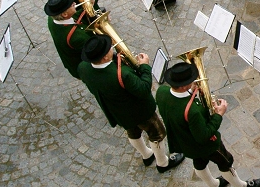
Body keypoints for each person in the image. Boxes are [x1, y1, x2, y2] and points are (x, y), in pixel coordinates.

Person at [157, 61, 260, 187]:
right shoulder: (193, 111)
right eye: (191, 80)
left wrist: (191, 92)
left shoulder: (161, 92)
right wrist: (218, 115)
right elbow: (204, 135)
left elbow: (176, 109)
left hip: (186, 142)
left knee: (199, 163)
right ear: (183, 86)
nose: (194, 80)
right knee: (225, 162)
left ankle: (214, 186)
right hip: (206, 145)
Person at [78, 35, 185, 173]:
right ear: (104, 57)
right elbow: (144, 88)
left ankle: (147, 155)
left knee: (133, 132)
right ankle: (163, 163)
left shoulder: (83, 67)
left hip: (118, 112)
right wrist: (145, 66)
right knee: (157, 134)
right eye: (109, 48)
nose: (112, 48)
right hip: (140, 111)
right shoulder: (122, 75)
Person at [45, 0, 93, 79]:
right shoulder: (77, 37)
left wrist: (87, 8)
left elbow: (73, 18)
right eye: (71, 5)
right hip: (84, 68)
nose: (75, 3)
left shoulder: (51, 19)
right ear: (64, 14)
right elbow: (93, 49)